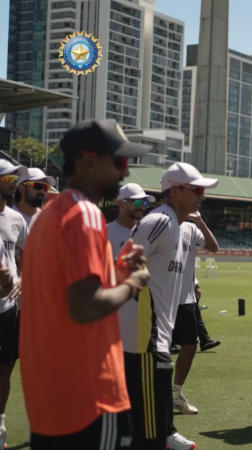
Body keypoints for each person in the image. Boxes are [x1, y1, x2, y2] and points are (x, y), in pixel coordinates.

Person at [19, 119, 151, 448]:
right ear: (89, 162)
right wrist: (132, 283)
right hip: (90, 396)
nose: (125, 173)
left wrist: (116, 272)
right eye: (119, 162)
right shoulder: (85, 213)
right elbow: (84, 307)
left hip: (50, 397)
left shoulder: (48, 216)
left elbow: (62, 294)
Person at [120, 162, 218, 449]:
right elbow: (124, 267)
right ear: (175, 191)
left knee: (155, 407)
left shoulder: (176, 224)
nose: (202, 195)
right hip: (143, 332)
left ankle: (166, 433)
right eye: (196, 189)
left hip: (156, 330)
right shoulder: (160, 221)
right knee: (146, 428)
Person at [171, 212, 219, 414]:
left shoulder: (191, 228)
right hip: (163, 300)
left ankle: (175, 394)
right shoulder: (160, 223)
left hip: (186, 299)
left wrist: (200, 221)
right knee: (158, 351)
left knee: (190, 346)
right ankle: (155, 394)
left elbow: (213, 247)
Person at [0, 159, 27, 448]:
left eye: (14, 178)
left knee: (5, 367)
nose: (13, 182)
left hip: (7, 309)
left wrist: (22, 280)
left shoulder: (16, 219)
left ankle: (0, 421)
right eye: (7, 177)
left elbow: (25, 254)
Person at [107, 183, 155, 258]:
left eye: (145, 203)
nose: (142, 207)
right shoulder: (107, 232)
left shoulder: (147, 233)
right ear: (121, 204)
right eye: (137, 202)